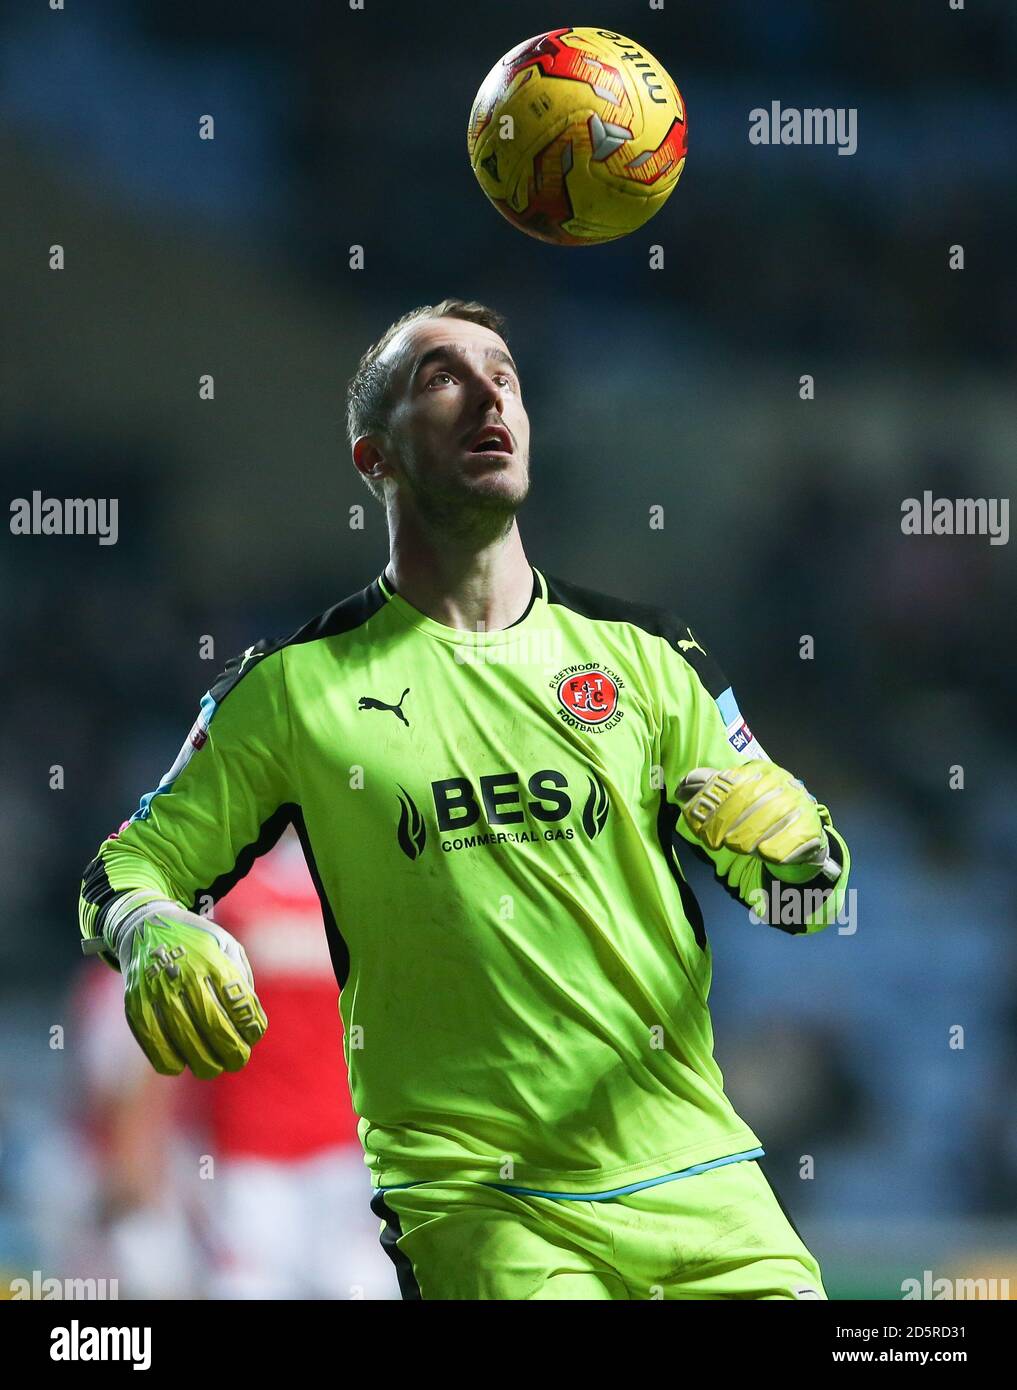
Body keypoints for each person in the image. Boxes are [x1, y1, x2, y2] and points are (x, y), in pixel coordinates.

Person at [78, 297, 851, 1300]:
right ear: (376, 460)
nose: (490, 391)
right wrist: (147, 927)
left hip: (704, 1182)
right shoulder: (290, 688)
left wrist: (801, 856)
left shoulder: (650, 655)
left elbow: (805, 898)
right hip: (481, 1206)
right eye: (443, 377)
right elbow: (122, 868)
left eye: (506, 375)